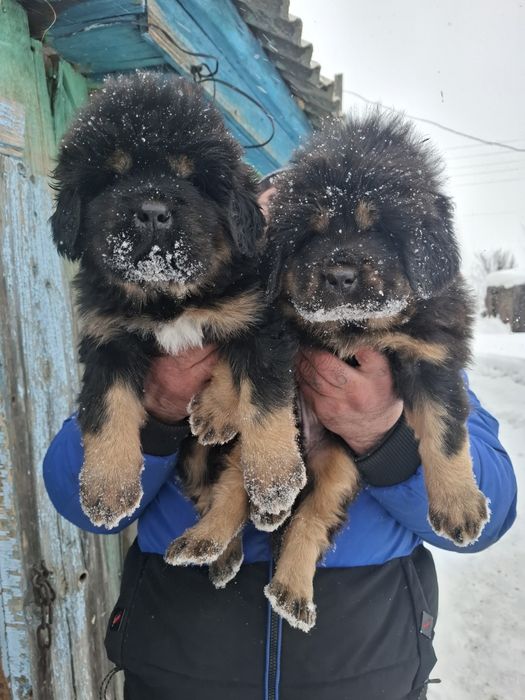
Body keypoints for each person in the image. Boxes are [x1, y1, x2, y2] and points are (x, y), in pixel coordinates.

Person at [43, 176, 517, 700]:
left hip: (363, 663)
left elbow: (489, 513)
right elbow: (77, 499)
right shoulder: (174, 328)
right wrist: (158, 408)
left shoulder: (404, 338)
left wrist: (382, 436)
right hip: (179, 660)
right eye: (262, 240)